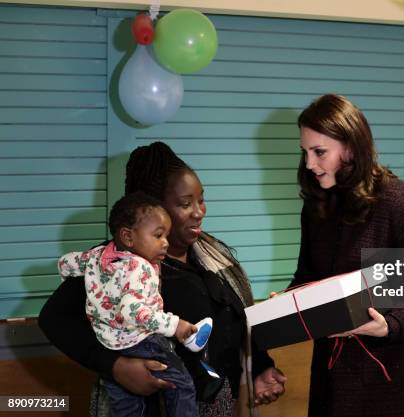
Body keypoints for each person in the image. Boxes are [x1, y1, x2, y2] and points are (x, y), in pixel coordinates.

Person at [39, 142, 286, 417]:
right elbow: (53, 318)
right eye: (185, 204)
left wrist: (261, 368)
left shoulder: (211, 254)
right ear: (154, 208)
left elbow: (234, 319)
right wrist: (116, 366)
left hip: (221, 405)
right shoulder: (116, 262)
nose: (199, 211)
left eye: (201, 199)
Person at [289, 94, 404, 417]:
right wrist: (287, 303)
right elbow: (306, 276)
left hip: (391, 384)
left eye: (320, 152)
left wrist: (388, 325)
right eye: (305, 152)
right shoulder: (316, 206)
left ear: (352, 148)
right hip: (331, 381)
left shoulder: (401, 204)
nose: (310, 164)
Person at [58, 192, 202, 417]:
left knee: (127, 406)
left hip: (109, 345)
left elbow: (66, 263)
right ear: (128, 236)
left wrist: (87, 286)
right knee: (181, 385)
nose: (165, 243)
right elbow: (132, 310)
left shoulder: (97, 256)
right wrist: (176, 325)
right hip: (142, 341)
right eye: (158, 235)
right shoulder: (139, 267)